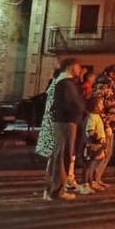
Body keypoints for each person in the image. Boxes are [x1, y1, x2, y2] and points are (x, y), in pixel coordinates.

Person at [44, 58, 84, 201]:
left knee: (60, 156)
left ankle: (53, 189)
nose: (80, 70)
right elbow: (70, 103)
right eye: (78, 67)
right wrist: (80, 109)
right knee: (62, 156)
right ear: (71, 67)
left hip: (65, 121)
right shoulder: (65, 84)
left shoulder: (65, 83)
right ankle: (57, 190)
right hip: (65, 122)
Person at [91, 65, 115, 177]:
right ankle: (93, 178)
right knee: (101, 153)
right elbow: (98, 107)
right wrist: (105, 123)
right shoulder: (103, 86)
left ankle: (98, 178)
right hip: (104, 125)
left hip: (112, 124)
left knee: (108, 152)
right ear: (111, 73)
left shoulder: (113, 87)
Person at [83, 94, 110, 190]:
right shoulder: (92, 117)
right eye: (101, 104)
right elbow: (90, 131)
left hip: (99, 145)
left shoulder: (97, 116)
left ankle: (93, 181)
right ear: (95, 106)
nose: (103, 106)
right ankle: (86, 183)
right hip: (93, 145)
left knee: (96, 163)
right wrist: (97, 138)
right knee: (90, 165)